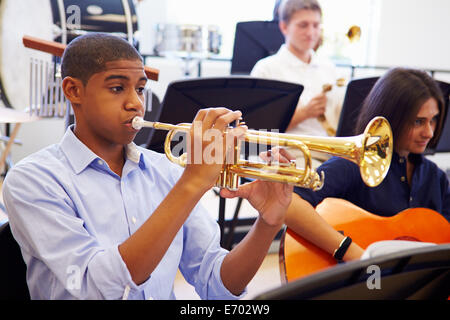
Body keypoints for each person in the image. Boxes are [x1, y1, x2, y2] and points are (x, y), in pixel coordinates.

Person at [2, 33, 293, 300]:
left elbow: (216, 283)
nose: (136, 104)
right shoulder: (33, 180)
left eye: (141, 89)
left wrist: (266, 224)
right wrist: (191, 183)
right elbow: (96, 289)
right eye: (117, 88)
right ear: (74, 90)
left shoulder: (164, 170)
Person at [278, 67, 450, 262]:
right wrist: (351, 252)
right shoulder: (352, 165)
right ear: (392, 118)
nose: (429, 132)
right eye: (418, 122)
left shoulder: (436, 178)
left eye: (433, 120)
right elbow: (289, 204)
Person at [251, 0, 342, 141]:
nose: (311, 33)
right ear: (284, 27)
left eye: (316, 25)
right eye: (303, 25)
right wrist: (304, 113)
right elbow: (257, 132)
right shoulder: (265, 69)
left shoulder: (330, 68)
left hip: (330, 154)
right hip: (287, 155)